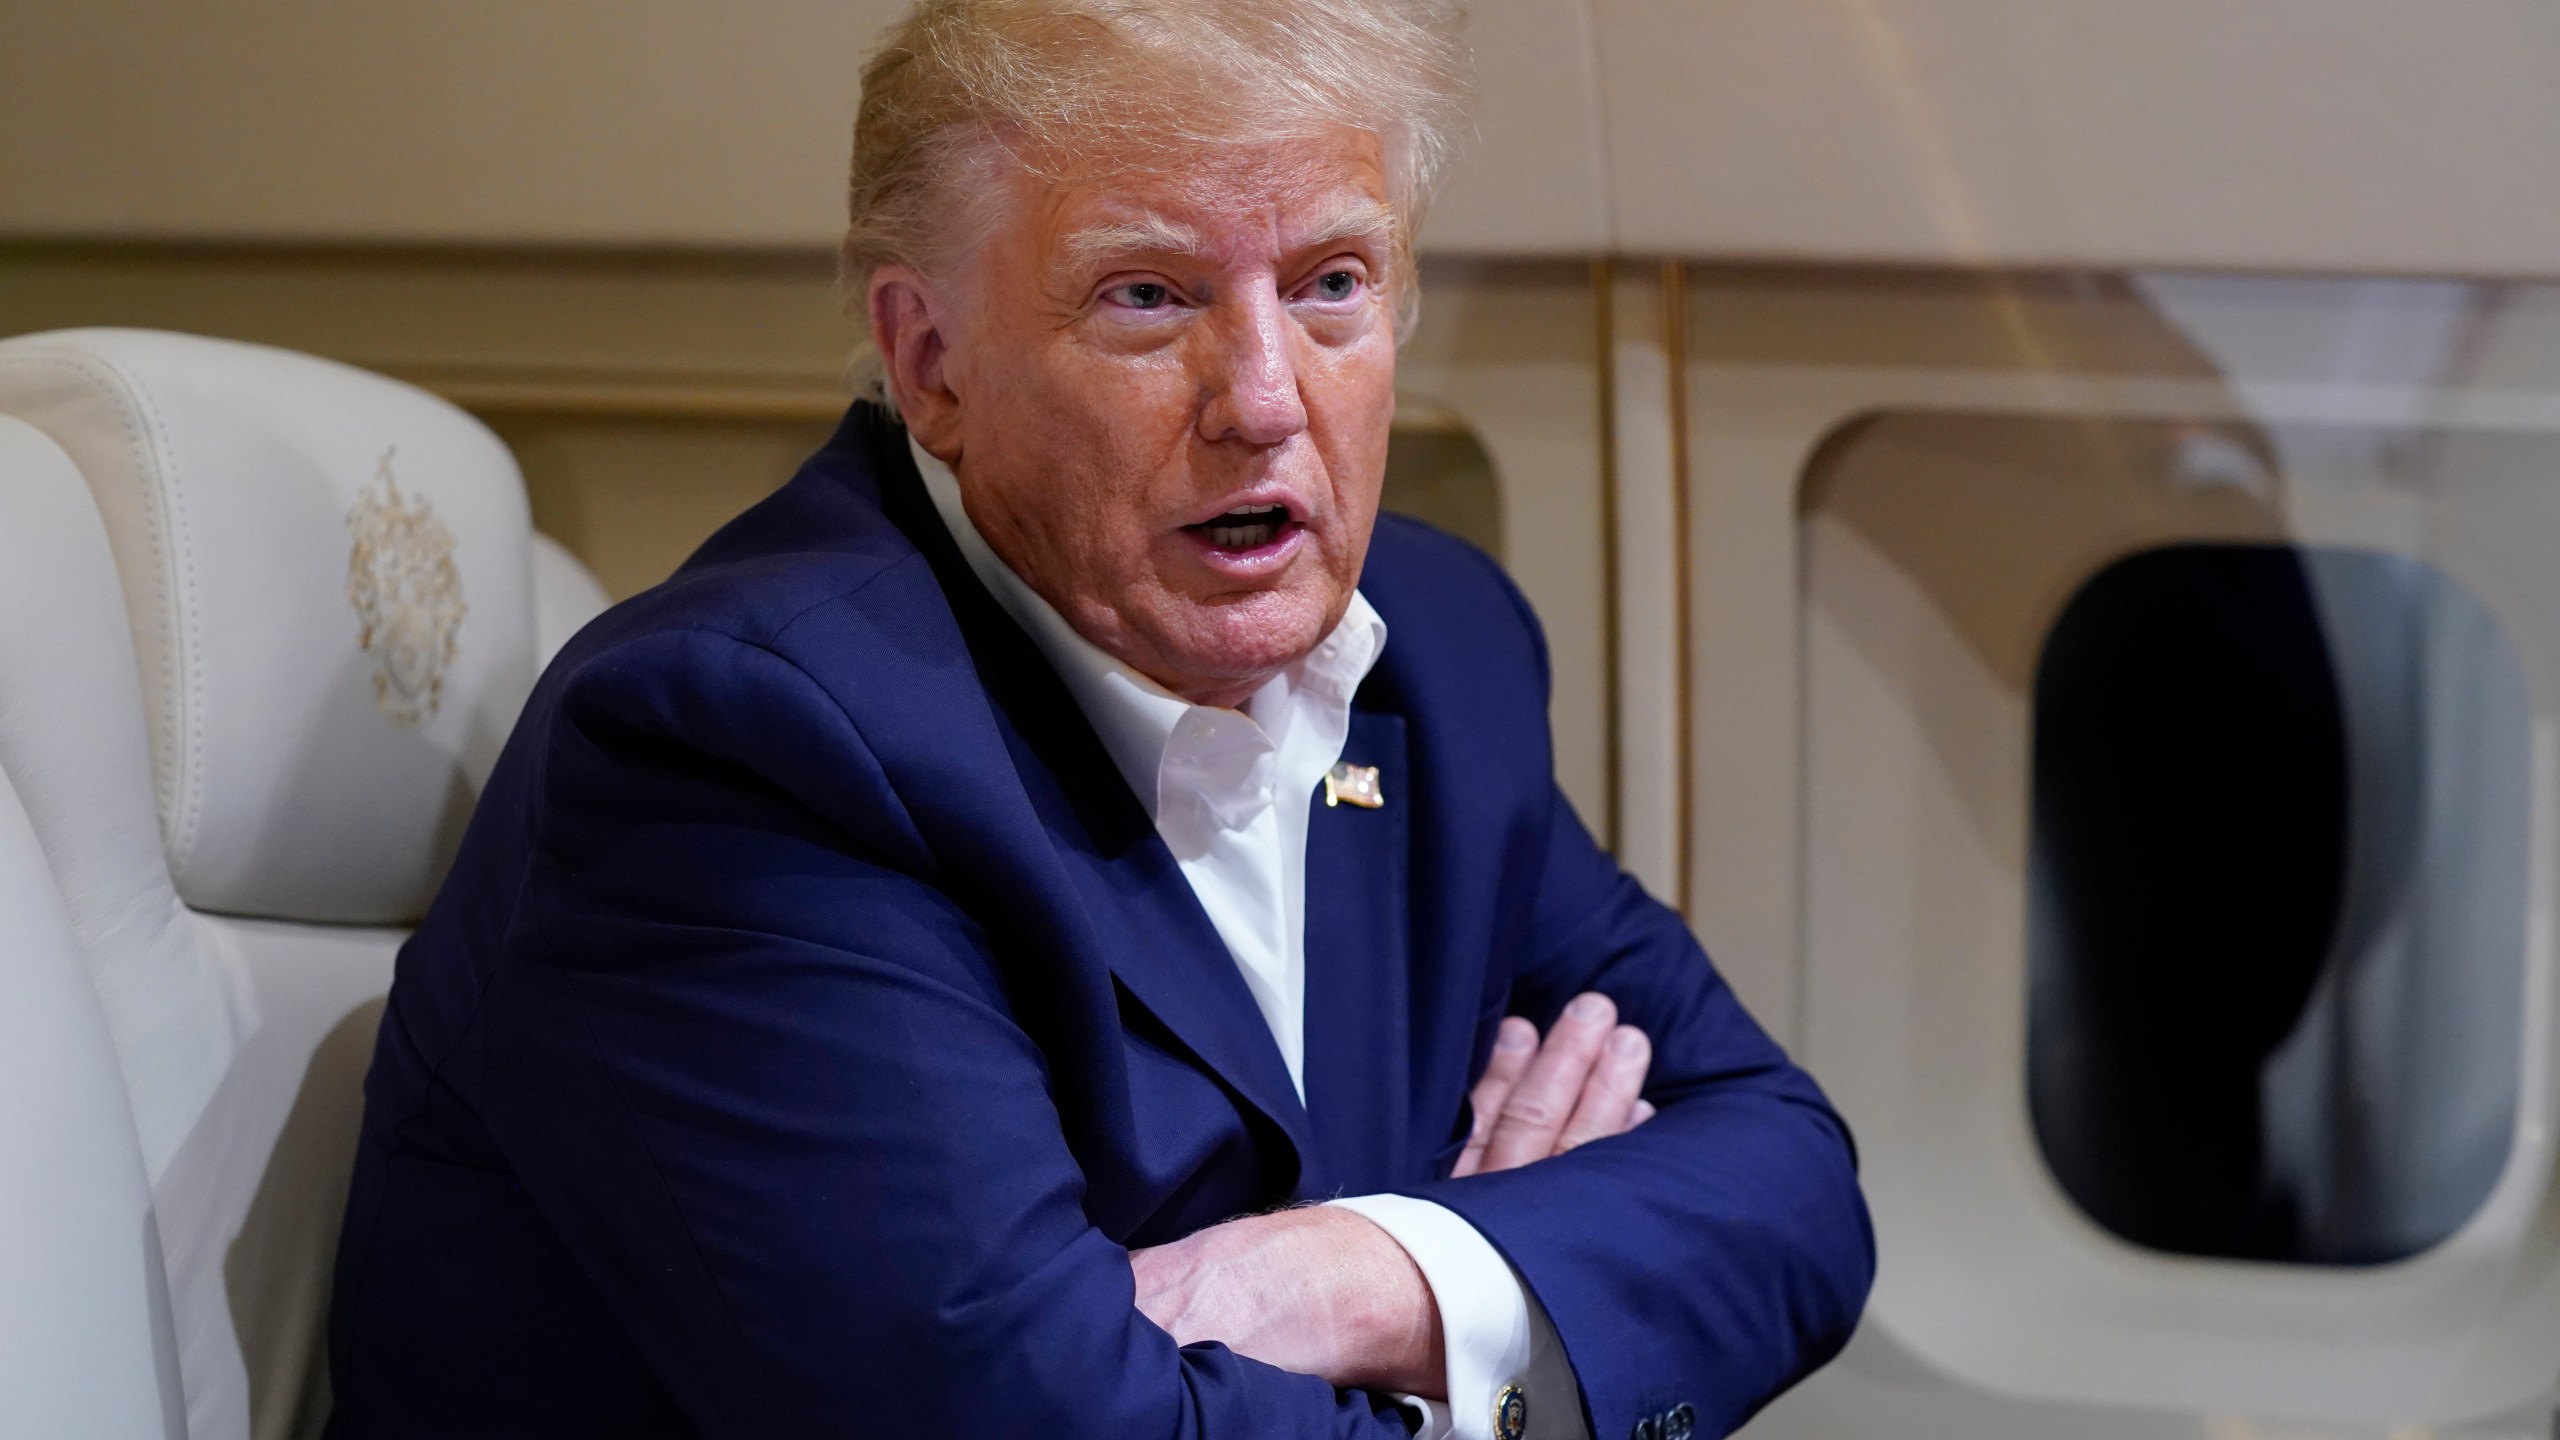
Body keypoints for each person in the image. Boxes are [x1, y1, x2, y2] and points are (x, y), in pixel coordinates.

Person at [324, 2, 1873, 1436]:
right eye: (1150, 297)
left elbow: (1787, 1180)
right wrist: (1504, 1318)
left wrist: (1355, 1276)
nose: (1265, 396)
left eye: (1333, 284)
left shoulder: (1440, 653)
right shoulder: (740, 755)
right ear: (931, 362)